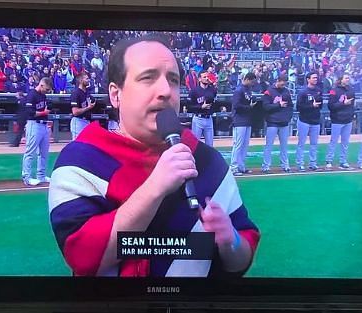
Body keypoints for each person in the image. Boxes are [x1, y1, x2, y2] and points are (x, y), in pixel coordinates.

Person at [48, 35, 260, 277]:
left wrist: (230, 240)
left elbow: (240, 260)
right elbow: (82, 258)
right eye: (148, 78)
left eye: (173, 80)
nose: (166, 91)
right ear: (116, 95)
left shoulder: (209, 162)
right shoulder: (81, 160)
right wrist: (155, 188)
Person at [21, 77, 53, 186]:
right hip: (33, 124)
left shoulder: (43, 96)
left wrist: (45, 112)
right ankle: (27, 177)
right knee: (30, 151)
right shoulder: (32, 94)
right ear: (42, 85)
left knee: (43, 153)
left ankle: (41, 175)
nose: (47, 91)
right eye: (47, 89)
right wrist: (44, 113)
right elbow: (30, 112)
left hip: (43, 125)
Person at [261, 75, 293, 174]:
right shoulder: (269, 91)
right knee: (269, 145)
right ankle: (266, 166)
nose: (283, 85)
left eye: (285, 84)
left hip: (284, 122)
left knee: (284, 145)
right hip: (272, 122)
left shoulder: (286, 91)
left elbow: (290, 106)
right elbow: (265, 106)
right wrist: (278, 105)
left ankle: (285, 165)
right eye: (282, 83)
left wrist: (288, 117)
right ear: (277, 81)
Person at [325, 73, 355, 170]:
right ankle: (329, 160)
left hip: (348, 119)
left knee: (345, 142)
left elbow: (352, 104)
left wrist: (351, 114)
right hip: (337, 120)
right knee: (334, 141)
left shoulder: (351, 90)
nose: (348, 79)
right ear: (341, 79)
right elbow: (331, 106)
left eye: (348, 78)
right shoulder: (334, 90)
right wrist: (343, 103)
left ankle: (343, 161)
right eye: (346, 78)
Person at [230, 72, 257, 176]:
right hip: (239, 120)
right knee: (238, 145)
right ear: (247, 79)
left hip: (247, 120)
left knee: (245, 145)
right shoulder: (239, 90)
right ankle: (233, 167)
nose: (252, 83)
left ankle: (241, 166)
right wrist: (249, 107)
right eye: (251, 81)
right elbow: (236, 105)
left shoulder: (248, 90)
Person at [295, 72, 323, 171]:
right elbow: (298, 107)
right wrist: (312, 106)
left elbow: (321, 105)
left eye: (316, 77)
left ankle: (313, 163)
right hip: (304, 120)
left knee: (314, 144)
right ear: (308, 79)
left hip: (315, 120)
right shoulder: (303, 92)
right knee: (301, 143)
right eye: (314, 77)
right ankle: (300, 163)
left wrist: (316, 106)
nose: (316, 79)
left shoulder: (319, 91)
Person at [188, 70, 217, 146]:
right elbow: (189, 107)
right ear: (199, 79)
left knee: (210, 145)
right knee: (195, 144)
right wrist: (201, 107)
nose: (207, 78)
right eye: (204, 77)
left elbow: (215, 103)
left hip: (209, 119)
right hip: (198, 119)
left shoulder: (212, 90)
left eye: (207, 76)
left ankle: (208, 158)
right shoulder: (194, 91)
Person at [70, 72, 96, 140]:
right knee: (77, 145)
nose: (88, 80)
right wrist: (88, 108)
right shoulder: (76, 93)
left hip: (86, 121)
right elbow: (75, 112)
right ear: (81, 80)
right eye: (86, 79)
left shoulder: (87, 92)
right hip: (78, 121)